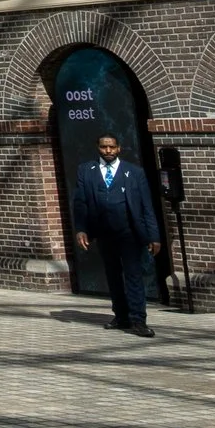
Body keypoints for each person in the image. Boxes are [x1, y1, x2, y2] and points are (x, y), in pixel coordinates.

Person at [71, 133, 163, 337]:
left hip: (129, 233)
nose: (108, 151)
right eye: (104, 147)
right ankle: (121, 316)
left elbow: (146, 206)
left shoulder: (134, 172)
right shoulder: (87, 171)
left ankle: (138, 319)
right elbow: (80, 203)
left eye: (112, 147)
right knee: (113, 277)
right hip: (105, 233)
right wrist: (81, 229)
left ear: (119, 148)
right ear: (98, 147)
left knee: (133, 276)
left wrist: (153, 236)